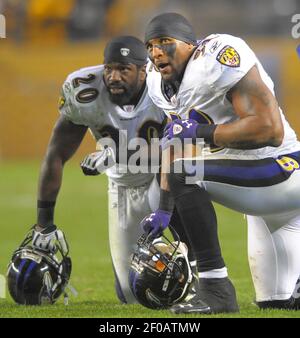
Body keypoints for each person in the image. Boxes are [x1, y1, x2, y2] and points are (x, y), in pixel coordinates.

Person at [141, 12, 300, 314]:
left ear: (190, 44)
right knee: (276, 304)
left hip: (283, 170)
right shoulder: (158, 81)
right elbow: (176, 142)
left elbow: (271, 130)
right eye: (150, 45)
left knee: (185, 175)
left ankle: (215, 289)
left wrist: (201, 131)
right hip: (258, 197)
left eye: (164, 42)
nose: (156, 51)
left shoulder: (217, 56)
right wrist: (163, 207)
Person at [28, 35, 166, 304]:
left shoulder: (164, 85)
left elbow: (185, 148)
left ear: (143, 70)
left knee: (186, 178)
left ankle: (207, 276)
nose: (113, 77)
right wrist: (44, 222)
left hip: (167, 176)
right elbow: (55, 155)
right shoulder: (84, 91)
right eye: (109, 68)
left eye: (123, 69)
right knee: (130, 293)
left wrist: (115, 154)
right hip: (123, 184)